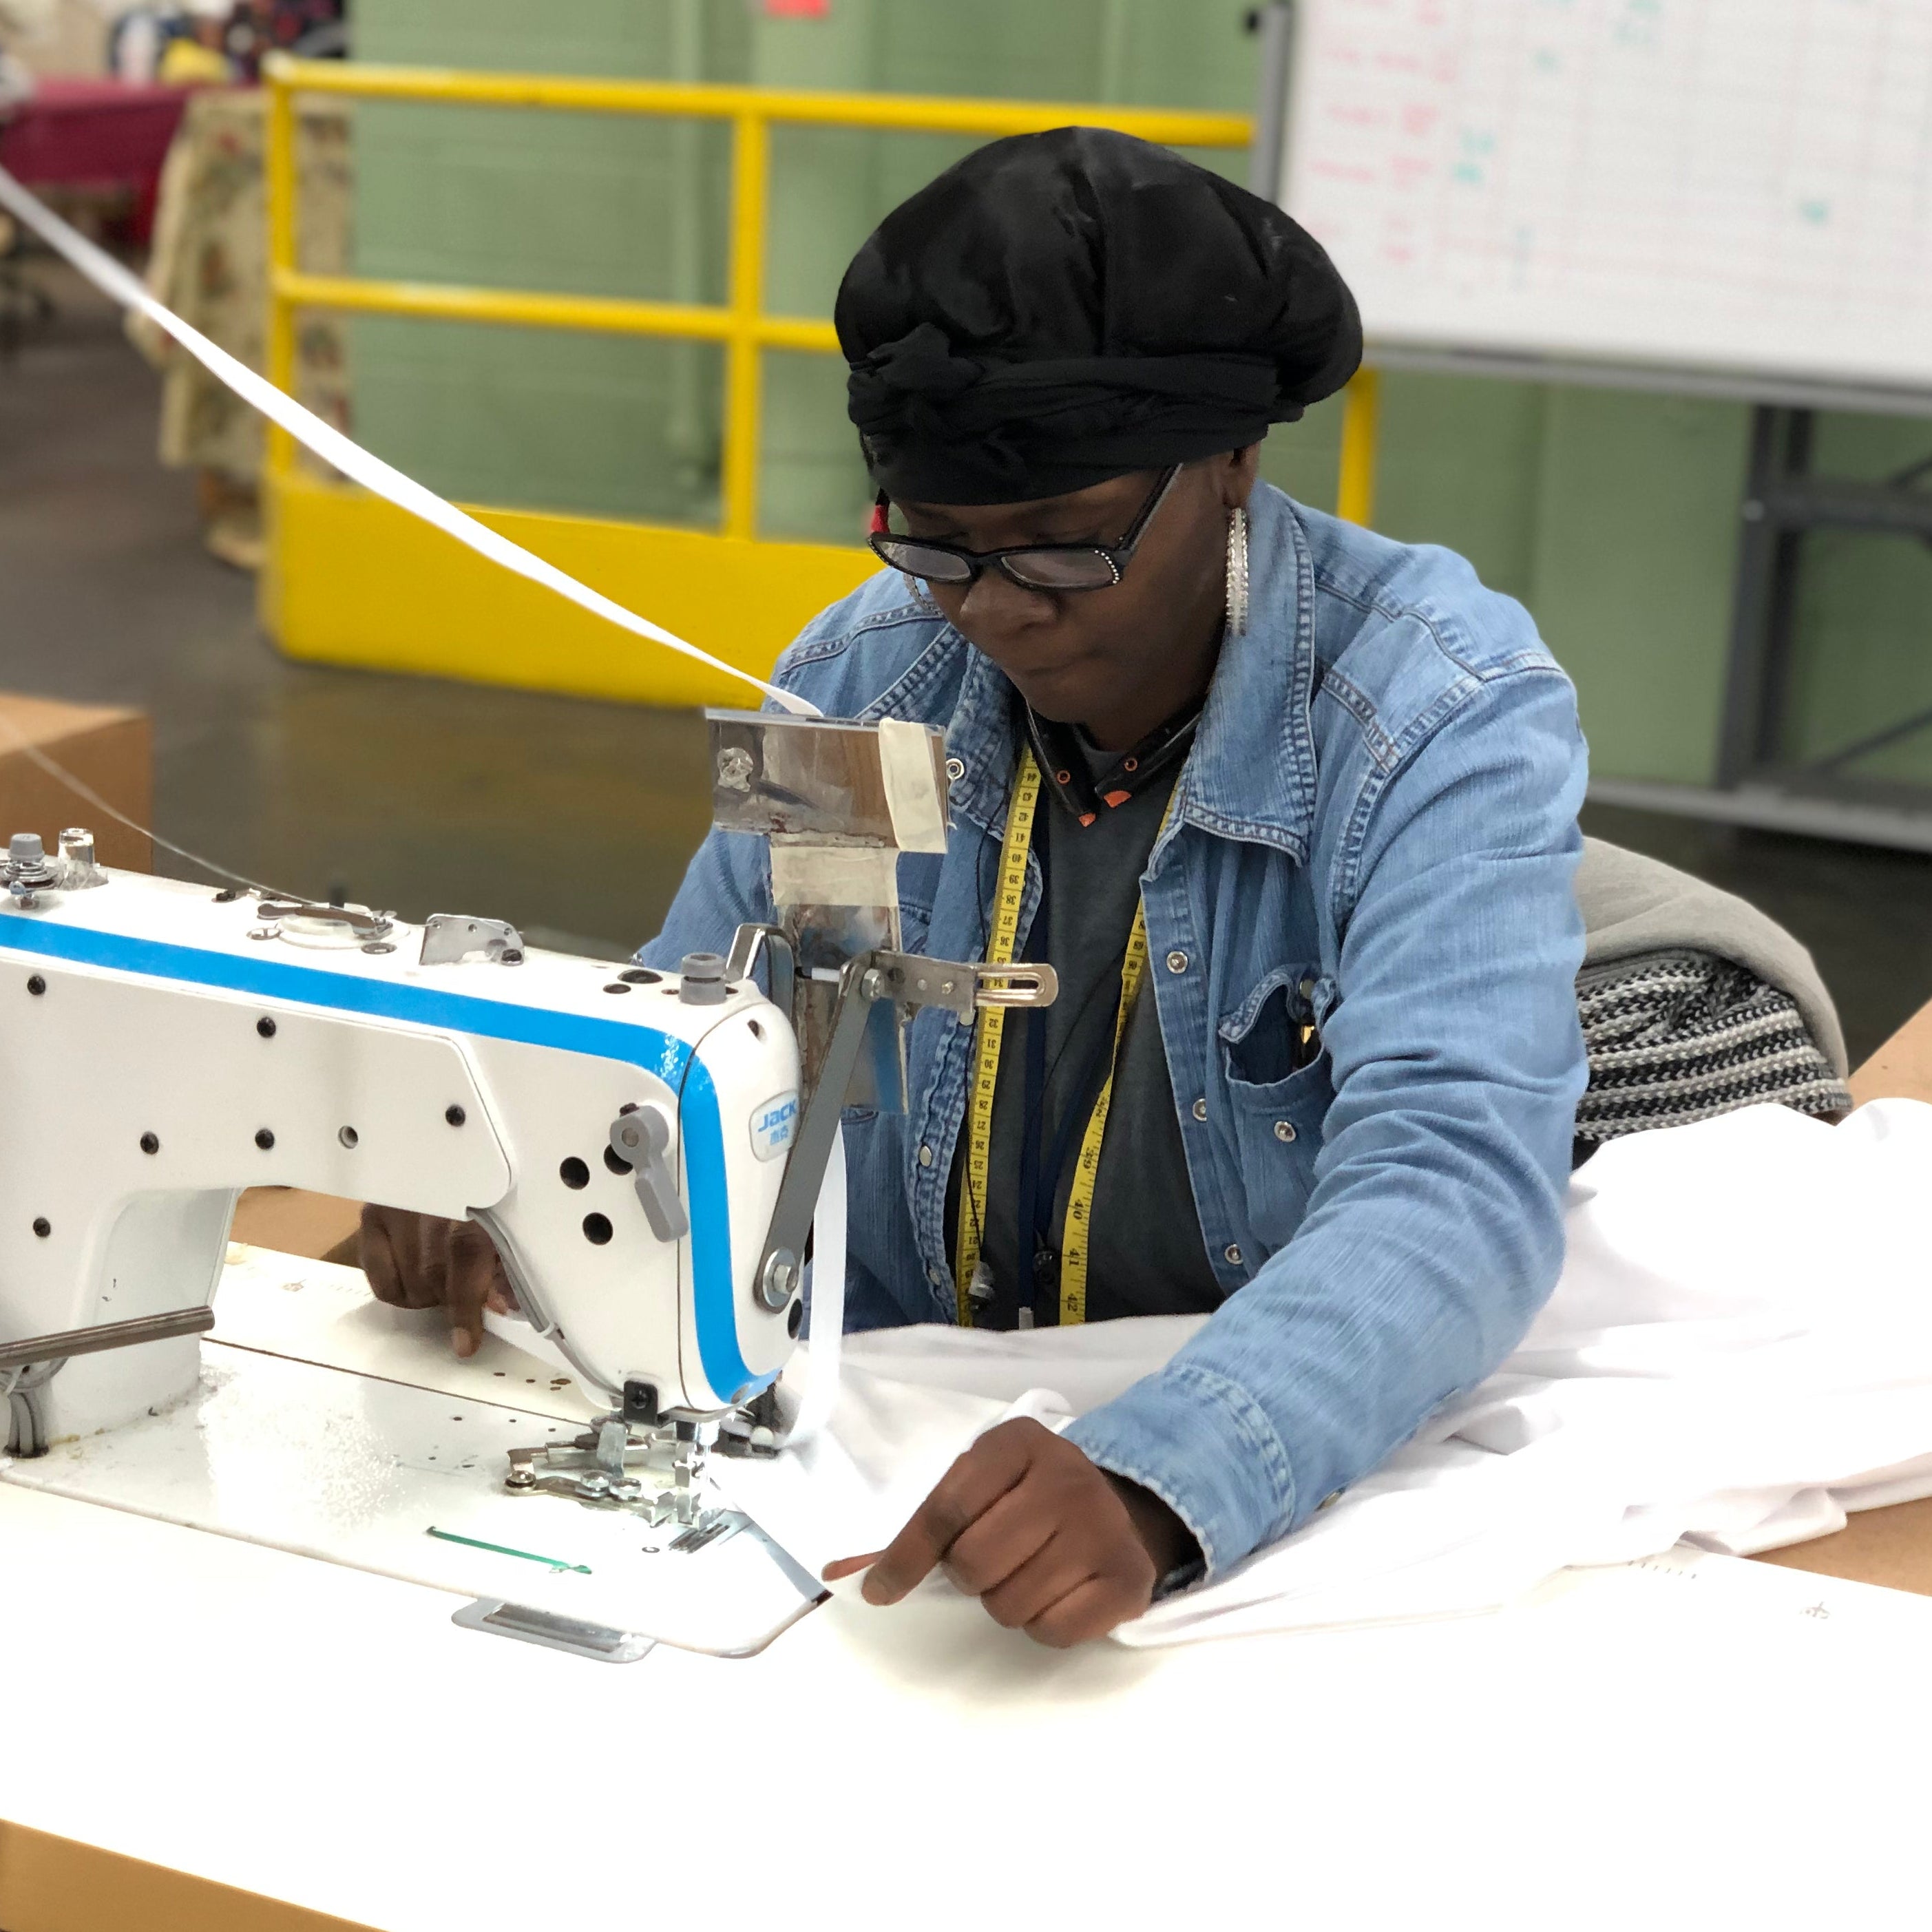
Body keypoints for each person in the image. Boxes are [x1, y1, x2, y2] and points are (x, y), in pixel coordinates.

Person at [360, 127, 1589, 1647]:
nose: (993, 613)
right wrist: (520, 1182)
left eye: (1062, 553)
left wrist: (1160, 1476)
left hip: (1244, 1438)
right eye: (937, 549)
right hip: (898, 1428)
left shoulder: (1437, 710)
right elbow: (683, 1040)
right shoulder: (869, 678)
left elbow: (1451, 1181)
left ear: (1227, 466)